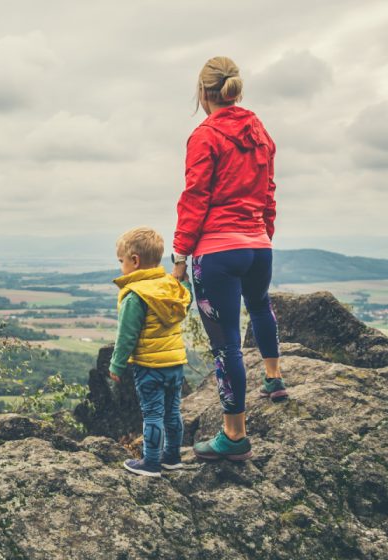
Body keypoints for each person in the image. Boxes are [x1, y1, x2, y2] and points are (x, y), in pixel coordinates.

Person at [171, 56, 288, 463]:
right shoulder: (261, 133)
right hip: (258, 245)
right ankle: (274, 379)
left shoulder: (205, 136)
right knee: (260, 306)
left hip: (218, 252)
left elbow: (195, 196)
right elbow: (269, 191)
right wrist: (263, 234)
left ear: (204, 93)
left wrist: (181, 254)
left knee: (226, 348)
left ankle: (234, 435)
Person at [109, 227, 192, 477]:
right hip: (175, 362)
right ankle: (172, 457)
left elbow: (127, 335)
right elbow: (186, 296)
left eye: (121, 261)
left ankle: (151, 462)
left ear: (134, 261)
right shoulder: (169, 286)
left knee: (153, 413)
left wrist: (116, 365)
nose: (121, 266)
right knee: (172, 411)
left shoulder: (135, 295)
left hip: (149, 366)